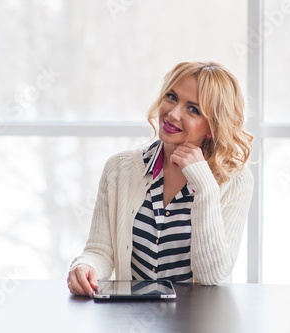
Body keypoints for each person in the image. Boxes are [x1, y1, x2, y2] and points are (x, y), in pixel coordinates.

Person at [67, 61, 254, 297]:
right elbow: (100, 249)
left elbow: (213, 276)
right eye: (172, 97)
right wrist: (86, 266)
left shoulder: (236, 181)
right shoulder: (119, 169)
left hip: (198, 323)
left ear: (213, 126)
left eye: (193, 109)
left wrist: (204, 186)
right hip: (132, 319)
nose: (173, 113)